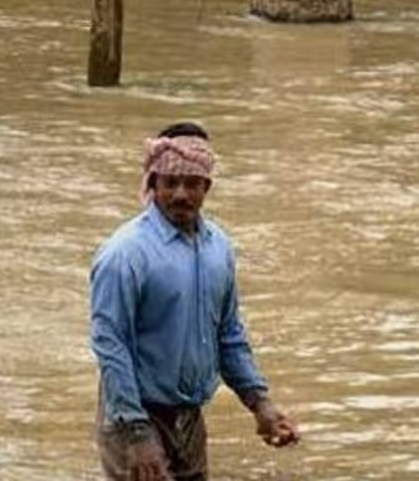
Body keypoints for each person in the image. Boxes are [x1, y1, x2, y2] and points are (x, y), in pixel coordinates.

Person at [89, 122, 300, 481]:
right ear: (153, 185)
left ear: (207, 187)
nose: (181, 195)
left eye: (192, 184)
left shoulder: (219, 247)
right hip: (134, 417)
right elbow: (111, 345)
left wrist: (260, 404)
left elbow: (228, 335)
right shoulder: (125, 254)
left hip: (189, 416)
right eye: (170, 183)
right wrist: (138, 434)